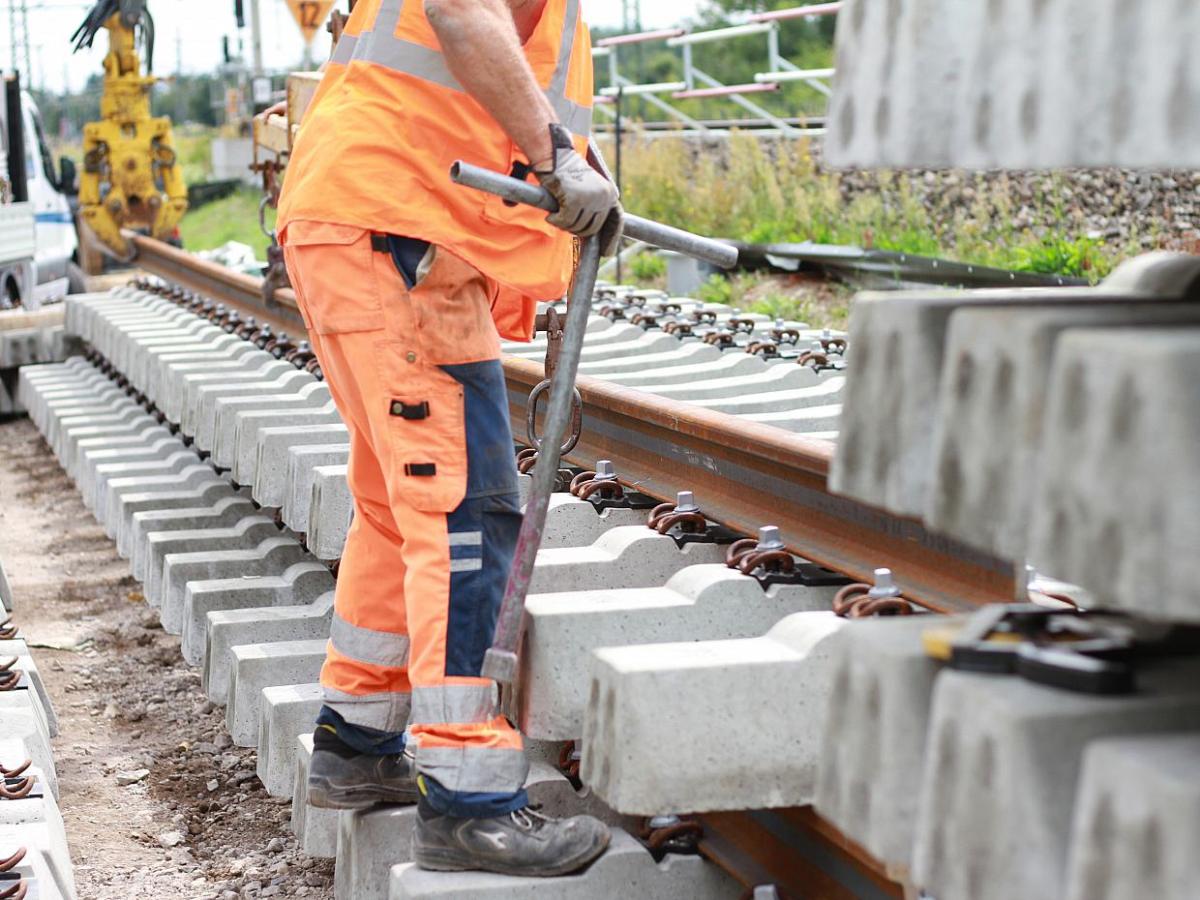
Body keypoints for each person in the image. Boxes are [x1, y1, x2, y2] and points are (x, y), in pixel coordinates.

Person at [272, 0, 622, 878]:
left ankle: (356, 744)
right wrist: (555, 158)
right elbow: (460, 12)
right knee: (465, 512)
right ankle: (469, 800)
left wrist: (571, 161)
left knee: (400, 510)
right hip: (397, 225)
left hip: (369, 217)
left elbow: (501, 71)